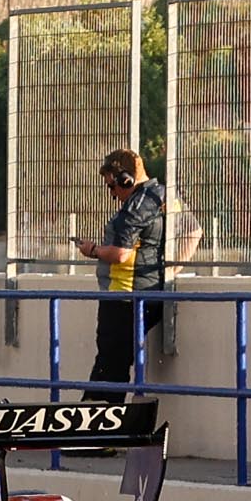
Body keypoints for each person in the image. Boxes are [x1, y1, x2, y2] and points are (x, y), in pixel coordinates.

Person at [82, 148, 178, 397]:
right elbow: (194, 231)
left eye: (112, 187)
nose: (114, 195)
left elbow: (120, 254)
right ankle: (98, 417)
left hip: (124, 297)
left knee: (110, 367)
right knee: (112, 364)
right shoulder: (165, 195)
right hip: (145, 294)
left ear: (125, 179)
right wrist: (171, 269)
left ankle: (101, 423)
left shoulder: (135, 207)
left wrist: (92, 250)